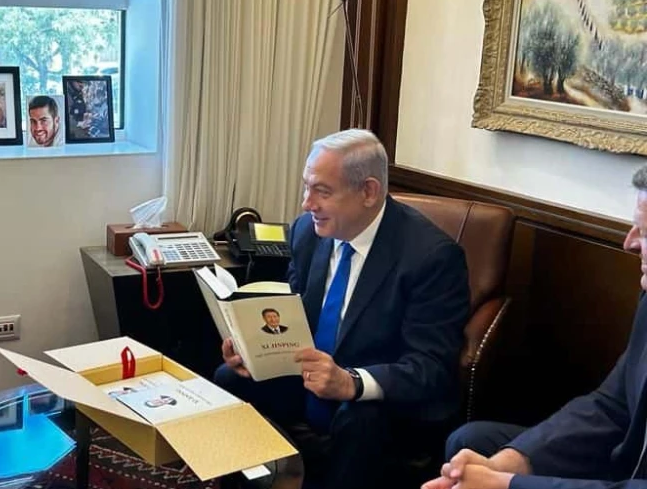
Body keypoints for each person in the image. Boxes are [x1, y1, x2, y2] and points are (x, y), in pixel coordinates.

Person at [215, 129, 470, 489]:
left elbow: (431, 368)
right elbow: (295, 314)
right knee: (229, 379)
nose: (307, 203)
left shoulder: (431, 258)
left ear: (368, 191)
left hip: (381, 400)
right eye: (306, 187)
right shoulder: (307, 231)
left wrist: (351, 382)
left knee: (359, 419)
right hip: (313, 378)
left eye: (322, 191)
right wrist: (252, 346)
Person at [423, 164, 647, 489]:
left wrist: (506, 484)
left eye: (643, 231)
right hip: (626, 460)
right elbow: (611, 406)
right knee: (473, 443)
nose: (629, 243)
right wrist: (505, 463)